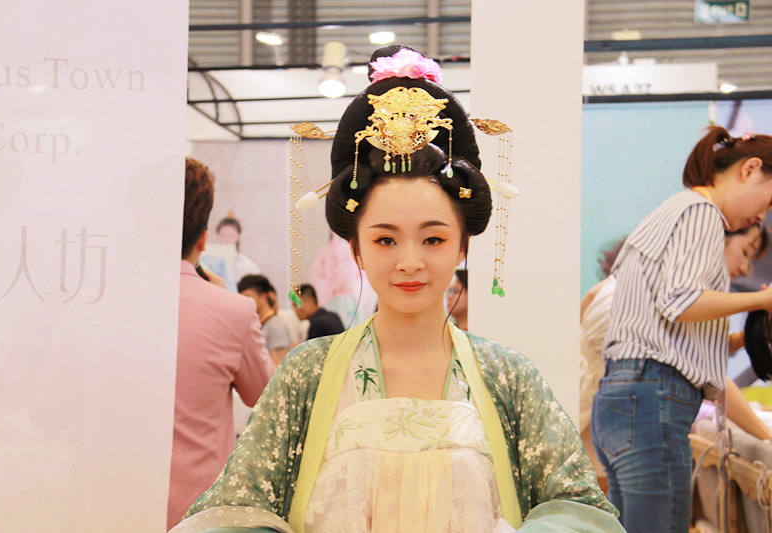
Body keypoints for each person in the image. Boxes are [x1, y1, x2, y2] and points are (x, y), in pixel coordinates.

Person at [171, 45, 622, 533]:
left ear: (463, 247)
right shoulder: (307, 373)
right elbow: (237, 510)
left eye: (433, 239)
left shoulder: (508, 376)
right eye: (385, 239)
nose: (410, 261)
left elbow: (579, 508)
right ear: (357, 250)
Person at [591, 127, 772, 533]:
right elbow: (681, 302)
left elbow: (669, 328)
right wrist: (761, 300)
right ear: (750, 169)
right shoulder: (700, 212)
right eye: (770, 200)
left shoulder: (676, 210)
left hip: (628, 395)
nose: (762, 216)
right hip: (652, 397)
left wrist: (744, 337)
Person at [581, 226, 771, 491]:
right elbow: (708, 371)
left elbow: (696, 351)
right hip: (612, 420)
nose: (746, 268)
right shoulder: (668, 298)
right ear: (717, 241)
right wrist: (766, 437)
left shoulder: (629, 282)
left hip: (596, 408)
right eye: (746, 252)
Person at [168, 158, 276, 530]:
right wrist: (225, 297)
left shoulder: (97, 305)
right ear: (203, 239)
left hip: (99, 504)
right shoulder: (234, 311)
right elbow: (265, 395)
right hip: (198, 515)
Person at [238, 274, 291, 365]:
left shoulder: (275, 325)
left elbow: (278, 367)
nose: (244, 302)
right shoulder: (260, 324)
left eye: (248, 297)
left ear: (263, 296)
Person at [217, 216, 262, 284]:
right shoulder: (212, 260)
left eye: (232, 235)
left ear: (238, 236)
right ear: (218, 236)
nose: (227, 240)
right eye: (223, 235)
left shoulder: (247, 265)